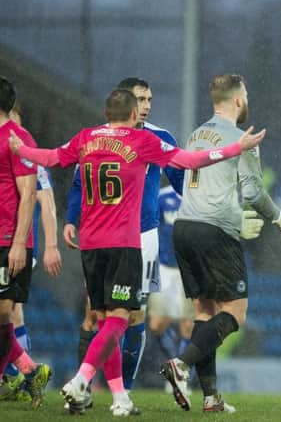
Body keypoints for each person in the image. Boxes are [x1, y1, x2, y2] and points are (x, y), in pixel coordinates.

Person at [9, 88, 265, 416]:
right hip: (123, 245)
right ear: (133, 115)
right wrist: (235, 148)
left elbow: (52, 157)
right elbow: (190, 160)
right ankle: (81, 379)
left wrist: (22, 148)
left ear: (106, 114)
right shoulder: (141, 141)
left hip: (90, 246)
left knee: (102, 320)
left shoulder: (85, 138)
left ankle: (120, 398)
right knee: (121, 319)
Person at [160, 74, 281, 413]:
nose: (247, 99)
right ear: (237, 100)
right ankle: (182, 364)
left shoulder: (195, 135)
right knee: (235, 313)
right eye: (246, 93)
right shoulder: (241, 138)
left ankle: (211, 398)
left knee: (205, 313)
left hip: (184, 228)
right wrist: (279, 217)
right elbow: (252, 191)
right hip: (214, 231)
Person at [63, 77, 185, 404]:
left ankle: (122, 392)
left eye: (149, 99)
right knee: (95, 314)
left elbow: (182, 181)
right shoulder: (95, 139)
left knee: (133, 318)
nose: (146, 105)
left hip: (143, 238)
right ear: (124, 103)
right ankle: (85, 389)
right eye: (140, 99)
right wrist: (71, 219)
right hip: (101, 235)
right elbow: (77, 185)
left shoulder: (160, 138)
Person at [1, 102, 61, 403]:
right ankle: (28, 371)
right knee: (12, 315)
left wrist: (50, 245)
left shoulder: (25, 153)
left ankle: (22, 375)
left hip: (15, 243)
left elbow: (46, 203)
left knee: (9, 313)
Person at [147, 185, 194, 394]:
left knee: (188, 326)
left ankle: (180, 374)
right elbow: (150, 227)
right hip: (164, 268)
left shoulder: (198, 197)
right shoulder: (162, 196)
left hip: (189, 269)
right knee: (157, 325)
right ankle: (173, 366)